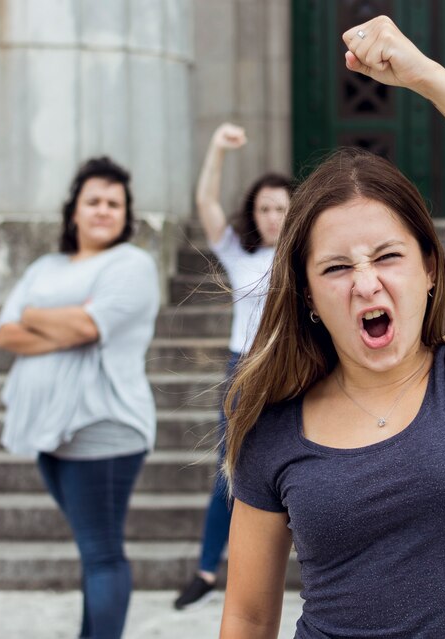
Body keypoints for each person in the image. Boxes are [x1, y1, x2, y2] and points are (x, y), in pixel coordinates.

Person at [218, 16, 445, 639]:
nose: (365, 282)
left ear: (430, 269)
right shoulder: (272, 419)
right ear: (307, 296)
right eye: (335, 267)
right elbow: (247, 615)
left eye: (387, 256)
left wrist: (428, 78)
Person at [0, 157, 159, 639]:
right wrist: (58, 324)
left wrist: (38, 315)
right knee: (93, 554)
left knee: (103, 553)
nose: (104, 210)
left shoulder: (132, 265)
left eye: (114, 203)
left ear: (125, 214)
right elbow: (6, 332)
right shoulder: (46, 265)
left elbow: (91, 327)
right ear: (74, 211)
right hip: (49, 431)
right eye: (94, 201)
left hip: (103, 426)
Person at [173, 123, 292, 609]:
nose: (271, 217)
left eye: (281, 208)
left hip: (294, 370)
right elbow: (206, 203)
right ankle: (206, 570)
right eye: (264, 208)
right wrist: (217, 149)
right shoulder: (239, 254)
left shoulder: (310, 255)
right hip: (243, 370)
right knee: (231, 470)